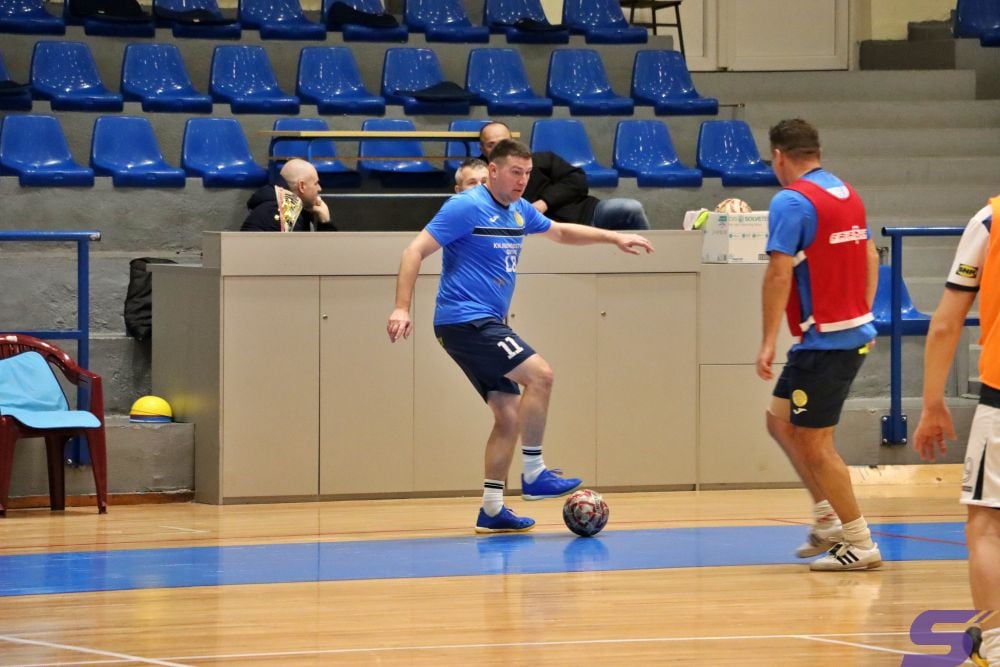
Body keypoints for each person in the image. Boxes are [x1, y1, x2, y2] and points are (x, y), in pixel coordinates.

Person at [387, 138, 654, 533]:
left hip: (481, 322)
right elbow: (413, 251)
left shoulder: (518, 209)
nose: (522, 180)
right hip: (467, 320)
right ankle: (534, 471)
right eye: (515, 172)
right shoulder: (465, 206)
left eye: (527, 173)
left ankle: (492, 510)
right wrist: (401, 307)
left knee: (509, 415)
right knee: (541, 375)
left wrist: (613, 237)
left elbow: (560, 232)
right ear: (492, 170)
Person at [755, 118, 882, 571]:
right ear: (817, 152)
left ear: (778, 157)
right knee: (779, 422)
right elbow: (870, 255)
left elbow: (778, 274)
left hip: (826, 344)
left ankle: (860, 542)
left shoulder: (791, 201)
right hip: (840, 335)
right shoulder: (846, 193)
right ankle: (827, 518)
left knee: (816, 444)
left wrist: (767, 341)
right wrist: (862, 311)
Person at [913, 195, 1000, 667]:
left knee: (987, 525)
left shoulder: (991, 219)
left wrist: (932, 403)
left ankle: (996, 645)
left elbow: (947, 324)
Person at [477, 122, 650, 231]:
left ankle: (652, 265)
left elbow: (578, 180)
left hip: (587, 215)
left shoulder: (542, 159)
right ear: (482, 149)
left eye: (504, 142)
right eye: (492, 145)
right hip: (544, 234)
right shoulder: (481, 174)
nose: (499, 149)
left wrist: (544, 203)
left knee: (630, 208)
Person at [240, 159, 335, 232]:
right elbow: (322, 251)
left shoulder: (279, 203)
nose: (319, 188)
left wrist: (324, 220)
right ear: (302, 186)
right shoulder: (286, 208)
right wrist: (326, 222)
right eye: (316, 183)